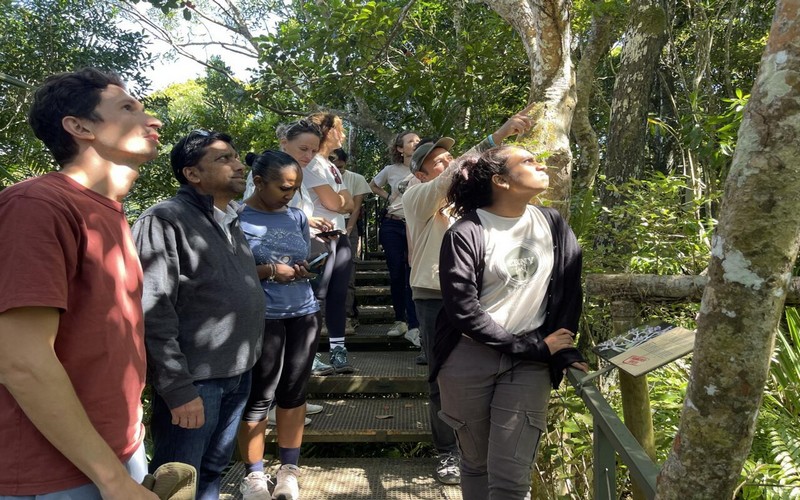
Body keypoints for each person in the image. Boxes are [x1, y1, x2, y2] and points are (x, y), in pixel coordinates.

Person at [0, 68, 161, 498]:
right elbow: (21, 360)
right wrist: (111, 479)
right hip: (55, 472)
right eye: (128, 107)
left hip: (117, 450)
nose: (153, 120)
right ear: (80, 126)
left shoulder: (109, 211)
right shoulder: (37, 206)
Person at [435, 146, 588, 500]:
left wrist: (561, 351)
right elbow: (463, 311)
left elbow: (569, 292)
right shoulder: (467, 232)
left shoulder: (551, 223)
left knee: (510, 478)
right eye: (528, 161)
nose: (540, 164)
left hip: (530, 361)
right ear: (501, 181)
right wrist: (532, 347)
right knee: (475, 464)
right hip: (468, 356)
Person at [403, 105, 535, 485]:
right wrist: (497, 137)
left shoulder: (473, 202)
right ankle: (447, 452)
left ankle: (482, 449)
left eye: (448, 156)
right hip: (435, 295)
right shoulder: (417, 198)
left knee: (485, 368)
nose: (446, 161)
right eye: (436, 160)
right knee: (442, 375)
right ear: (420, 172)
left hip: (480, 295)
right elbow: (455, 174)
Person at [133, 130, 266, 499]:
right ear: (192, 174)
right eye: (224, 159)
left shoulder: (230, 220)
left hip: (237, 373)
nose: (239, 165)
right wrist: (177, 388)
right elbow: (153, 307)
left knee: (212, 469)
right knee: (178, 478)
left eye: (237, 157)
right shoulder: (164, 219)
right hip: (195, 381)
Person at [236, 150, 319, 500]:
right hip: (262, 318)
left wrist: (304, 266)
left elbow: (300, 257)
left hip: (303, 312)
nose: (290, 194)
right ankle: (254, 474)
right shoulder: (236, 218)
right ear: (258, 182)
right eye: (284, 187)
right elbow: (229, 272)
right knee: (259, 396)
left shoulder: (297, 217)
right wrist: (270, 271)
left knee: (294, 394)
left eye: (296, 187)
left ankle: (288, 468)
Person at [304, 112, 356, 373]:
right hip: (317, 239)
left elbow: (348, 203)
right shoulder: (310, 163)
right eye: (339, 129)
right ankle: (309, 354)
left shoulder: (332, 166)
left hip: (339, 235)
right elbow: (336, 203)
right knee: (315, 297)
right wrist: (340, 203)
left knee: (338, 295)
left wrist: (340, 203)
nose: (343, 134)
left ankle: (338, 351)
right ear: (325, 131)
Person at [369, 131, 421, 341]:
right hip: (393, 225)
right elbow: (372, 185)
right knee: (397, 272)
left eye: (418, 140)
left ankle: (415, 325)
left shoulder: (425, 169)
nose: (415, 143)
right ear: (400, 149)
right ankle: (400, 320)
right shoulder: (391, 170)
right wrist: (388, 196)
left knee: (413, 273)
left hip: (417, 226)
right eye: (410, 141)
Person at [330, 148, 371, 327]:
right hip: (326, 225)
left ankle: (347, 316)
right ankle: (325, 317)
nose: (337, 169)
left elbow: (356, 208)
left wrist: (348, 229)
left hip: (347, 226)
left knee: (347, 273)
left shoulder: (356, 179)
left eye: (340, 165)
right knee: (326, 272)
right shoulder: (318, 175)